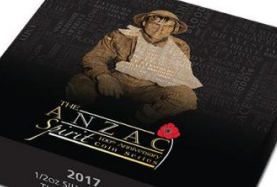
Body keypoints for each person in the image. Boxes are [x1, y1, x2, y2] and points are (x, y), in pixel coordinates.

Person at [66, 10, 202, 124]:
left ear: (173, 29)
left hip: (152, 88)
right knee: (80, 84)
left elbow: (179, 75)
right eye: (155, 24)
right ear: (144, 22)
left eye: (167, 26)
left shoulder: (180, 46)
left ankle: (137, 122)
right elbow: (94, 57)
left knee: (186, 97)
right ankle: (74, 119)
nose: (160, 29)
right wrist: (103, 77)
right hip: (118, 80)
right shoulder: (122, 36)